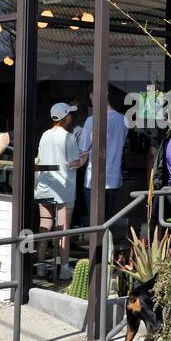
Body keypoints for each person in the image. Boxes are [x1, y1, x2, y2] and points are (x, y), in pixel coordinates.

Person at [33, 103, 87, 279]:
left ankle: (41, 266)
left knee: (45, 226)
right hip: (63, 188)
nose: (71, 117)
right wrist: (85, 156)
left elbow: (39, 159)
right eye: (69, 114)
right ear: (66, 117)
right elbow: (74, 163)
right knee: (64, 229)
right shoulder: (68, 138)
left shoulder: (44, 135)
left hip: (44, 186)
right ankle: (64, 269)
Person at [77, 96, 128, 221]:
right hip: (114, 177)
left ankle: (98, 241)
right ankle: (106, 240)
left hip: (93, 178)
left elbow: (83, 148)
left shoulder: (91, 120)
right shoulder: (123, 120)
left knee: (95, 221)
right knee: (109, 221)